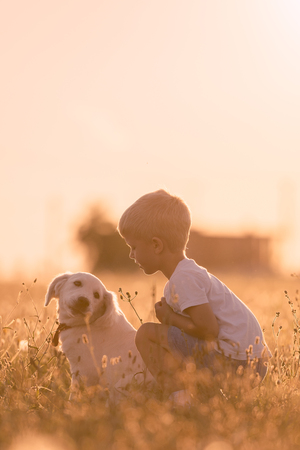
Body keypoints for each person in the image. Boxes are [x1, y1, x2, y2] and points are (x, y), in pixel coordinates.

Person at [118, 189, 271, 404]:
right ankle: (202, 397)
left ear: (156, 245)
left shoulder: (183, 280)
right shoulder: (188, 274)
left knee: (146, 334)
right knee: (171, 339)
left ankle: (179, 399)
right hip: (252, 363)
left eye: (133, 247)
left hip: (236, 365)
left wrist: (170, 319)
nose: (131, 255)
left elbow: (208, 330)